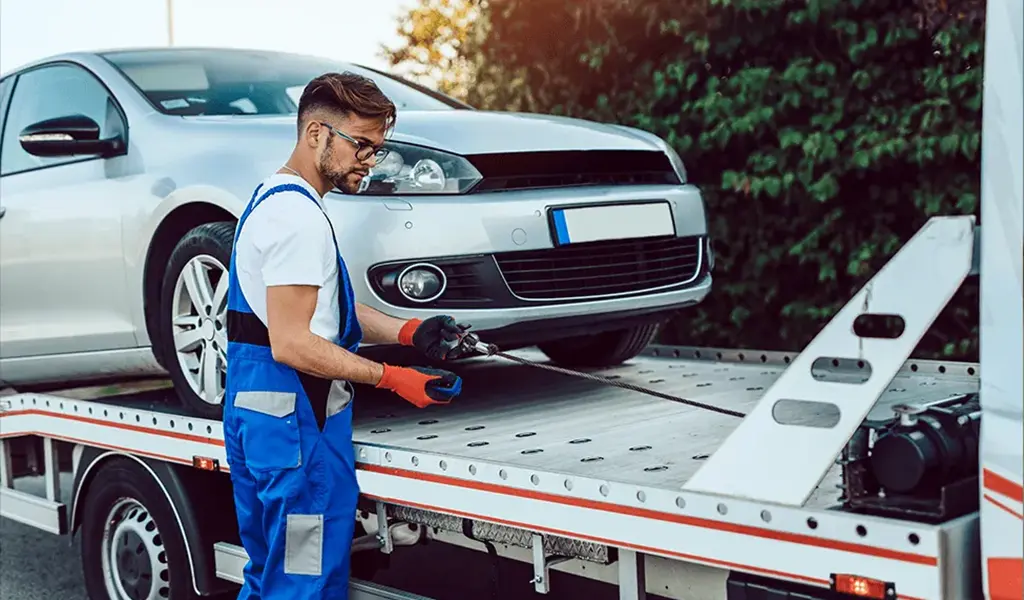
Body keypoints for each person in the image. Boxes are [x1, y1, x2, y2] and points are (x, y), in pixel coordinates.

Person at [222, 71, 468, 599]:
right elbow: (292, 343)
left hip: (265, 422)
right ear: (317, 134)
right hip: (298, 427)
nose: (369, 161)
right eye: (361, 145)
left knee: (270, 575)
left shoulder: (274, 199)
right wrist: (392, 378)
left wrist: (410, 330)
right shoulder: (298, 218)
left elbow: (318, 310)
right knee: (303, 584)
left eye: (376, 149)